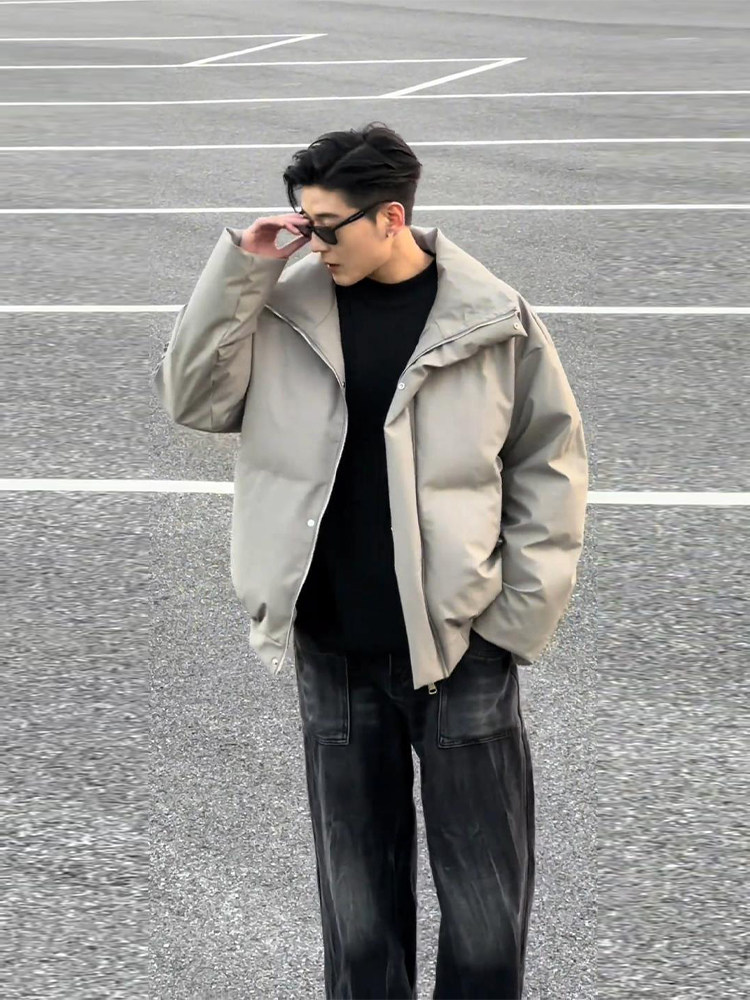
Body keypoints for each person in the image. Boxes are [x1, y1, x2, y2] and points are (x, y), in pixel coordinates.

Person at [154, 121, 589, 999]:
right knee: (358, 925)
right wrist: (243, 267)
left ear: (390, 216)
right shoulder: (283, 308)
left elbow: (550, 463)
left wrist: (514, 620)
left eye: (325, 226)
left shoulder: (492, 318)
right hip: (332, 646)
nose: (311, 242)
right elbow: (192, 400)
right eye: (301, 223)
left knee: (485, 916)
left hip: (460, 648)